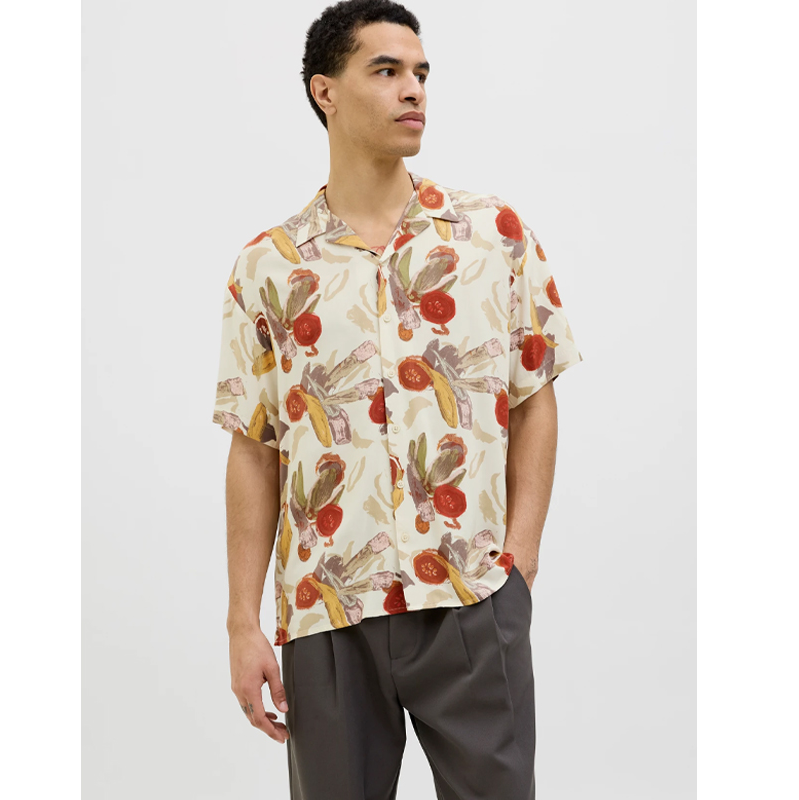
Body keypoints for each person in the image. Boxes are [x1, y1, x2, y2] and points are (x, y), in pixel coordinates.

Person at [211, 1, 584, 797]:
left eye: (420, 72)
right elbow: (253, 448)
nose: (414, 89)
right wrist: (244, 621)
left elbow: (534, 397)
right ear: (325, 92)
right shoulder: (267, 268)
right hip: (326, 613)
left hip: (469, 598)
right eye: (386, 71)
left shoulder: (493, 235)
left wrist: (518, 563)